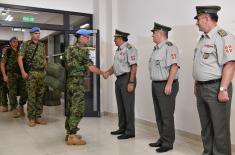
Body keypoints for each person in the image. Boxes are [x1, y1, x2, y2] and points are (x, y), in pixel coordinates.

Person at [193, 5, 235, 155]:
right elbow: (201, 65)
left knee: (219, 128)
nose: (196, 22)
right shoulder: (203, 39)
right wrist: (196, 83)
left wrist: (223, 89)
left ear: (206, 18)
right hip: (202, 88)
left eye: (198, 19)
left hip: (216, 87)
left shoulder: (223, 36)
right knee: (206, 127)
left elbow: (230, 64)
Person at [63, 29, 104, 145]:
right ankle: (72, 136)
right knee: (78, 108)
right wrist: (103, 73)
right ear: (80, 37)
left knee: (71, 107)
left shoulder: (68, 49)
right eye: (86, 37)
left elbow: (65, 65)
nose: (88, 39)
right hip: (77, 83)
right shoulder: (82, 51)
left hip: (70, 81)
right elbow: (91, 68)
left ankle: (69, 133)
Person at [148, 22, 180, 153]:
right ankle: (162, 138)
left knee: (166, 115)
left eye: (154, 33)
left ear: (160, 33)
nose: (152, 36)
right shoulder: (156, 49)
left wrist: (169, 84)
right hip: (156, 84)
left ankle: (168, 143)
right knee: (159, 114)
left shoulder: (170, 47)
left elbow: (174, 66)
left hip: (166, 84)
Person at [104, 29, 138, 140]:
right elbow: (116, 66)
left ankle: (130, 131)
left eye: (115, 38)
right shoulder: (119, 50)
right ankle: (122, 128)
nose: (114, 40)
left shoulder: (130, 48)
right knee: (121, 105)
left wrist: (131, 82)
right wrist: (108, 72)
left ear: (120, 38)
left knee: (128, 106)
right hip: (119, 79)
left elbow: (133, 66)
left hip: (127, 78)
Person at [18, 27, 47, 127]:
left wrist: (45, 68)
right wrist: (22, 71)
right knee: (31, 96)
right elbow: (20, 58)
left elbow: (43, 58)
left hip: (41, 74)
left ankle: (38, 116)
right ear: (31, 34)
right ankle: (31, 118)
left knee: (40, 95)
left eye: (38, 33)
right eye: (35, 33)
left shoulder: (42, 45)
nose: (38, 35)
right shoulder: (25, 44)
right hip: (31, 73)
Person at [1, 37, 27, 118]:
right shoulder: (8, 51)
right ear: (10, 42)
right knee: (12, 92)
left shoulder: (20, 51)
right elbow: (2, 64)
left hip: (20, 74)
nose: (16, 43)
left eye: (17, 42)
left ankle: (21, 105)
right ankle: (14, 108)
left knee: (24, 91)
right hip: (11, 75)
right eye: (14, 42)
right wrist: (4, 75)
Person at [0, 45, 9, 112]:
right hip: (1, 76)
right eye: (5, 48)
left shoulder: (9, 56)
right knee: (3, 90)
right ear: (2, 49)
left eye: (7, 48)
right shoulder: (1, 55)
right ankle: (4, 105)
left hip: (9, 75)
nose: (6, 49)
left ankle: (12, 105)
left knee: (10, 91)